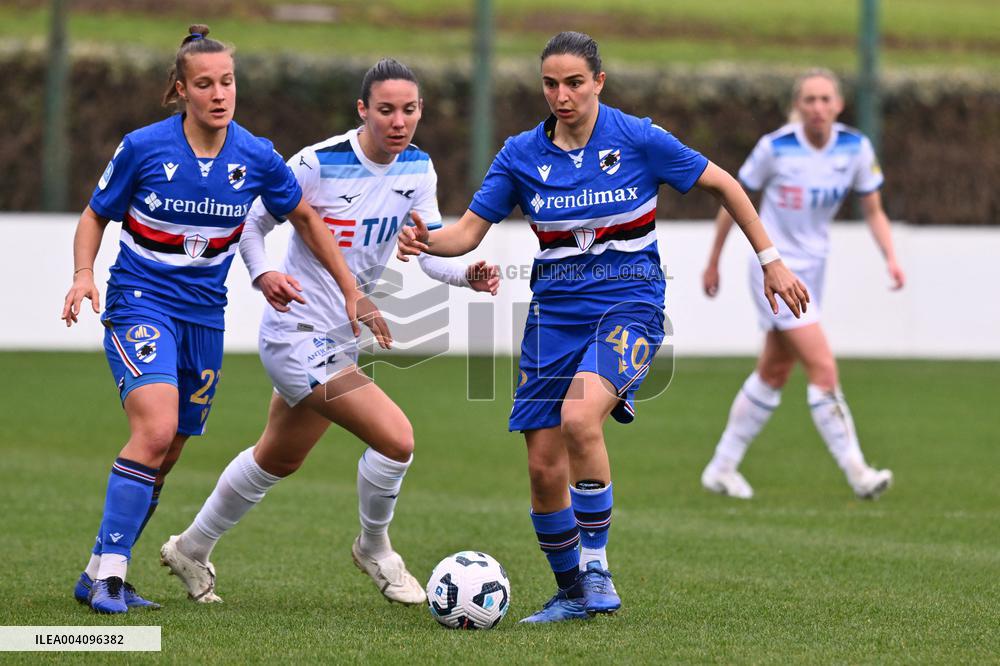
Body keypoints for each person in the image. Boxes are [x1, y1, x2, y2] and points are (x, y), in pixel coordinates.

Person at [397, 32, 809, 623]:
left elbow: (725, 184)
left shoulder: (637, 138)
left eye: (574, 83)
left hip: (630, 306)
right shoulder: (520, 154)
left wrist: (771, 261)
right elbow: (464, 234)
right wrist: (424, 239)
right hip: (553, 317)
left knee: (578, 417)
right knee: (543, 468)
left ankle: (597, 570)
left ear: (599, 82)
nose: (561, 95)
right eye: (550, 84)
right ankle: (572, 593)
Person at [159, 58, 500, 606]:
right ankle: (375, 548)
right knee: (396, 439)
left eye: (409, 110)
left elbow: (426, 250)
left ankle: (190, 548)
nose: (398, 121)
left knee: (278, 457)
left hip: (340, 339)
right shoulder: (317, 162)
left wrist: (466, 276)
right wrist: (263, 274)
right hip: (294, 333)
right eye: (385, 110)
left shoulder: (419, 168)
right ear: (362, 110)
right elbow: (251, 225)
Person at [61, 24, 373, 614]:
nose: (219, 93)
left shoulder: (255, 155)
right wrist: (84, 274)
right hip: (141, 302)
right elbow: (95, 214)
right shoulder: (144, 147)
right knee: (155, 431)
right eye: (204, 84)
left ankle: (97, 570)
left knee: (170, 449)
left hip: (204, 317)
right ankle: (113, 577)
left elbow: (306, 219)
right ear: (181, 90)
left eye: (227, 81)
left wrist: (350, 289)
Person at [700, 68, 904, 501]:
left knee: (774, 370)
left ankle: (721, 467)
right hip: (773, 271)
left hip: (814, 271)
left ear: (839, 105)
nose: (817, 108)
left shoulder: (855, 148)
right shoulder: (774, 148)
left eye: (825, 99)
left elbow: (873, 210)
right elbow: (733, 200)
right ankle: (858, 472)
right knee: (823, 367)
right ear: (798, 105)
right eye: (809, 99)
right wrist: (714, 260)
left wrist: (891, 257)